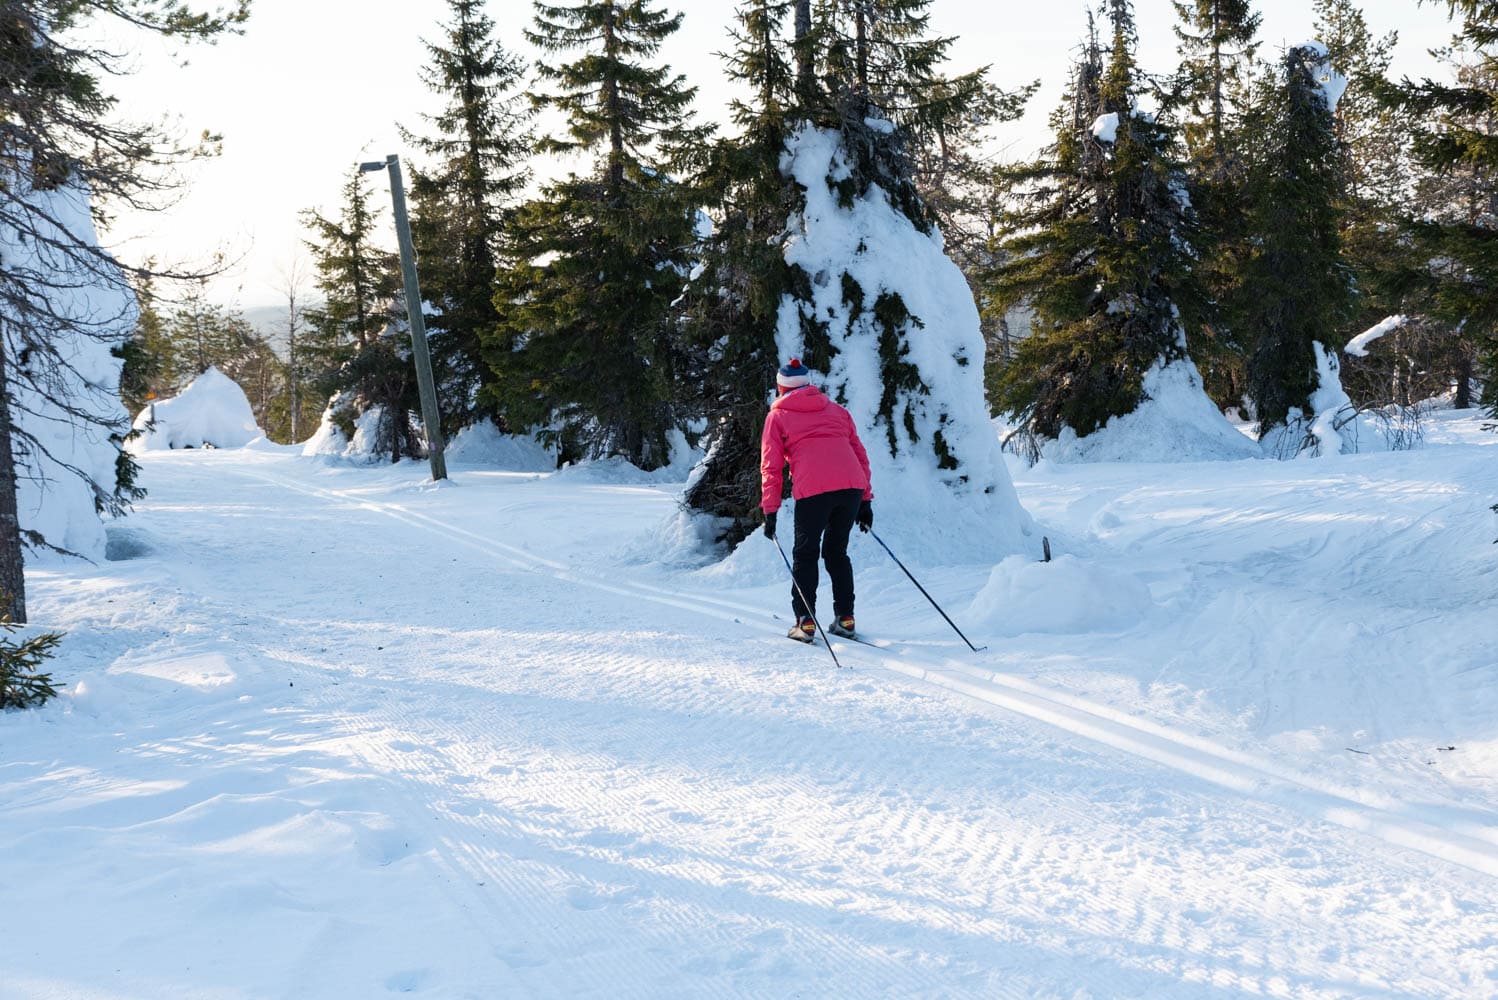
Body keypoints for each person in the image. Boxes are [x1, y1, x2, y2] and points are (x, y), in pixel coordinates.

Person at [760, 358, 874, 642]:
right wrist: (865, 500)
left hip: (813, 491)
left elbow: (771, 467)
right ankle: (846, 619)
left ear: (780, 387)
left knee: (805, 554)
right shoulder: (836, 410)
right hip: (851, 488)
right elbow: (860, 455)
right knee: (837, 552)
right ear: (810, 384)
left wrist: (770, 510)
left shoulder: (777, 416)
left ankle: (805, 621)